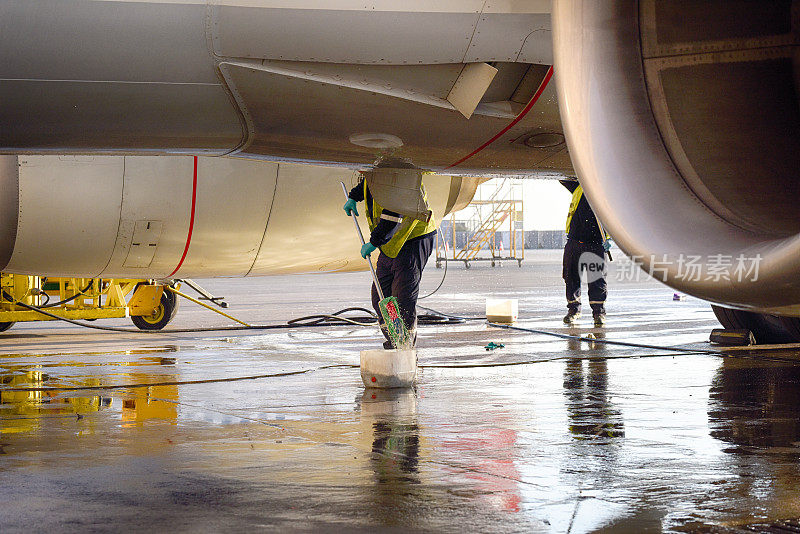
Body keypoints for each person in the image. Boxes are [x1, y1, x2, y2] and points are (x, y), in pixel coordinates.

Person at [344, 177, 437, 348]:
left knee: (402, 301)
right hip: (391, 243)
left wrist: (373, 242)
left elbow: (392, 217)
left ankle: (404, 348)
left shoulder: (396, 178)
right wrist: (354, 196)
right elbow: (368, 184)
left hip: (412, 238)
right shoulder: (375, 175)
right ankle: (395, 339)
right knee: (381, 296)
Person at [560, 179, 611, 326]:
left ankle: (599, 313)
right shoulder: (578, 188)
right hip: (574, 241)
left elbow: (617, 217)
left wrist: (611, 237)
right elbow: (562, 178)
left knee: (597, 280)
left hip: (595, 243)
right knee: (571, 277)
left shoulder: (607, 192)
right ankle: (574, 310)